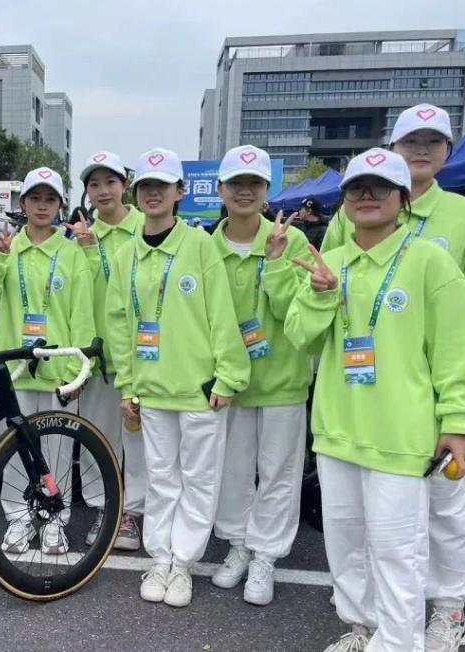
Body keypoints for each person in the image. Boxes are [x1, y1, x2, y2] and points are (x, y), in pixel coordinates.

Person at [321, 104, 465, 651]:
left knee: (444, 512)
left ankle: (448, 610)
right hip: (362, 390)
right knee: (360, 525)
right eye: (411, 141)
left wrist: (439, 316)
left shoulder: (464, 217)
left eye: (433, 141)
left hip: (429, 384)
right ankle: (367, 625)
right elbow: (327, 282)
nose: (421, 149)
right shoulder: (350, 219)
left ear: (447, 150)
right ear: (394, 148)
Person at [287, 148, 465, 652]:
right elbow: (300, 338)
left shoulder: (430, 261)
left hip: (401, 436)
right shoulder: (329, 263)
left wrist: (456, 421)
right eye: (356, 188)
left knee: (399, 553)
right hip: (337, 433)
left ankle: (399, 643)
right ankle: (362, 629)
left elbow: (457, 351)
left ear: (402, 198)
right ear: (344, 201)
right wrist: (319, 295)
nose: (367, 195)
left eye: (380, 187)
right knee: (347, 548)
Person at [104, 147, 250, 608]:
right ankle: (160, 558)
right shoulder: (126, 254)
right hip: (150, 389)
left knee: (199, 479)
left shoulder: (200, 245)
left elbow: (221, 313)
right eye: (146, 186)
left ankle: (183, 563)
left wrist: (227, 375)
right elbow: (119, 324)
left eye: (162, 186)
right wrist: (128, 384)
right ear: (136, 193)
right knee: (161, 478)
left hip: (199, 390)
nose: (153, 194)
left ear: (179, 192)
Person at [209, 145, 312, 606]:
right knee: (232, 469)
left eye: (254, 183)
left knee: (278, 473)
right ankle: (238, 544)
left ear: (267, 190)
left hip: (282, 379)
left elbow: (298, 314)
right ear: (221, 189)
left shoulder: (292, 241)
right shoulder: (205, 247)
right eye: (236, 183)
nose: (245, 191)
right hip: (228, 383)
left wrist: (274, 265)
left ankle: (266, 554)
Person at [0, 167, 95, 555]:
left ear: (60, 204)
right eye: (35, 198)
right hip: (15, 369)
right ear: (23, 203)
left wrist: (78, 370)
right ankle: (18, 517)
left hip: (57, 370)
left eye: (50, 199)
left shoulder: (71, 253)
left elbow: (82, 314)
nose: (42, 206)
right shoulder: (7, 248)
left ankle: (53, 519)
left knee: (57, 451)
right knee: (14, 448)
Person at [66, 150, 147, 552]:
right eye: (94, 184)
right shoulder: (81, 236)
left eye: (110, 182)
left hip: (143, 356)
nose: (102, 191)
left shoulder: (147, 227)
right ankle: (105, 508)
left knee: (138, 440)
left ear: (124, 185)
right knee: (98, 437)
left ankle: (131, 512)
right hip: (98, 358)